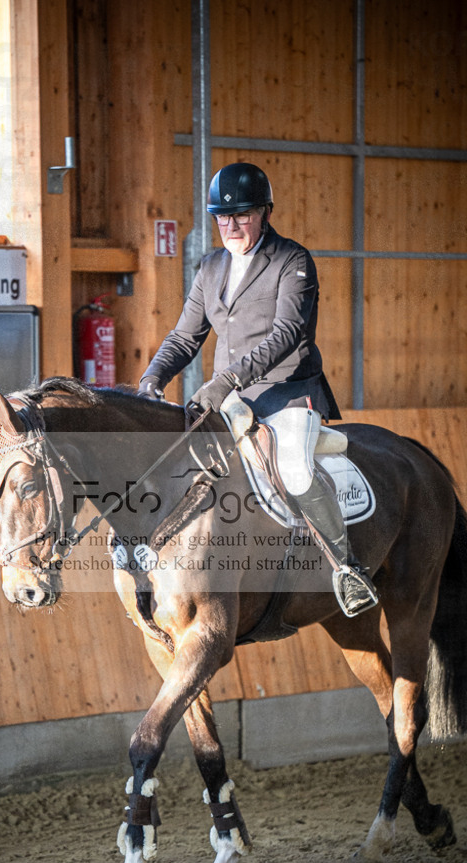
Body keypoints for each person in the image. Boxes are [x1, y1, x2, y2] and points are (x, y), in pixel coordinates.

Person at [138, 162, 376, 616]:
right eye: (222, 218)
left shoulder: (292, 260)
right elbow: (185, 336)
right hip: (230, 399)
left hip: (288, 392)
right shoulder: (210, 267)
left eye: (242, 216)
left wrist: (226, 380)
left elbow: (287, 333)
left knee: (296, 470)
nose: (231, 226)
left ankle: (347, 569)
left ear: (266, 212)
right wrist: (152, 379)